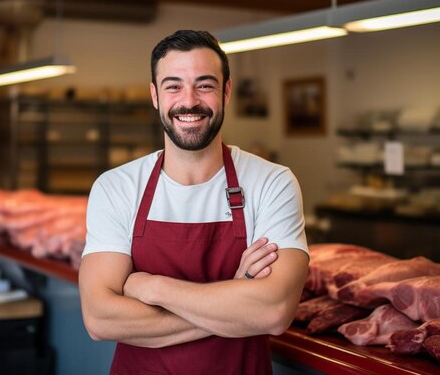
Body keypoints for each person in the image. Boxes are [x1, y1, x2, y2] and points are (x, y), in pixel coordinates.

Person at [79, 30, 309, 375]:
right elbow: (100, 318)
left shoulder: (271, 182)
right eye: (173, 86)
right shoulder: (117, 187)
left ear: (226, 92)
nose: (189, 101)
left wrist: (152, 287)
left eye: (205, 85)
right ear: (155, 96)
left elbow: (273, 312)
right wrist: (236, 298)